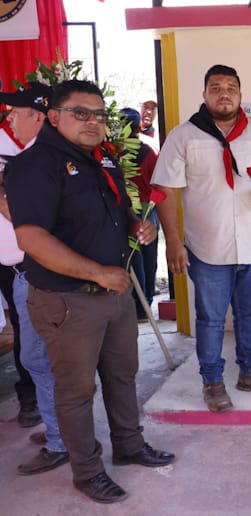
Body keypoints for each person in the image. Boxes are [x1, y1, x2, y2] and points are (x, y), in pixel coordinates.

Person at [4, 79, 174, 504]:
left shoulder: (102, 160)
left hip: (113, 294)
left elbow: (117, 212)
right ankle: (87, 470)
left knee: (122, 375)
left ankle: (129, 445)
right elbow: (31, 238)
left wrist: (139, 225)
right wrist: (99, 273)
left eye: (99, 115)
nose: (92, 122)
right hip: (68, 300)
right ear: (54, 116)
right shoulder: (34, 166)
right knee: (76, 390)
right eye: (80, 113)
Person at [153, 64, 251, 413]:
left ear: (241, 94)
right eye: (215, 87)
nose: (224, 93)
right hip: (207, 249)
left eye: (231, 87)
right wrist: (173, 242)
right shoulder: (184, 137)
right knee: (211, 320)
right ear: (204, 95)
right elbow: (164, 190)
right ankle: (212, 382)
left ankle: (250, 373)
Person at [0, 82, 72, 475]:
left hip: (37, 273)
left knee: (40, 359)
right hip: (23, 272)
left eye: (16, 113)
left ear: (40, 117)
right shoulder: (34, 155)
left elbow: (35, 223)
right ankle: (62, 429)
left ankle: (63, 440)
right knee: (42, 358)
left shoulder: (36, 161)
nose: (10, 119)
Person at [0, 84, 47, 429]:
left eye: (17, 112)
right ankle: (31, 396)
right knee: (20, 328)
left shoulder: (49, 152)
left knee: (41, 332)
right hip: (6, 258)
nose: (10, 118)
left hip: (37, 258)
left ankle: (48, 406)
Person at [119, 107, 159, 322]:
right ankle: (146, 303)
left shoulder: (114, 152)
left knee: (135, 258)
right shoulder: (148, 153)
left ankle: (139, 303)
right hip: (145, 207)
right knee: (149, 257)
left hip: (128, 208)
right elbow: (157, 182)